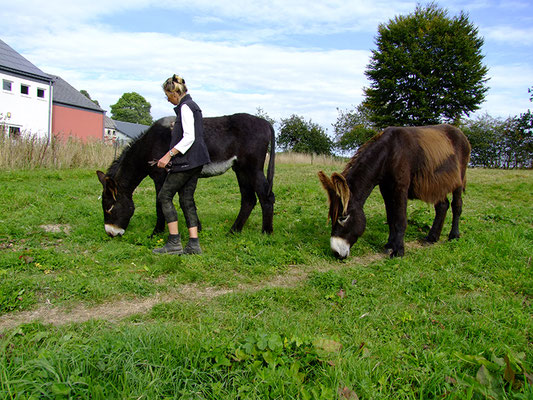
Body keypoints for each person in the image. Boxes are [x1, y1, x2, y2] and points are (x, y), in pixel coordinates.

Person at [153, 74, 210, 255]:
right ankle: (194, 245)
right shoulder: (193, 106)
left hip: (186, 161)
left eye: (167, 95)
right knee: (186, 199)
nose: (167, 99)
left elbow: (189, 138)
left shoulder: (185, 107)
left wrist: (168, 156)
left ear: (174, 92)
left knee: (164, 196)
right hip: (197, 160)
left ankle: (173, 243)